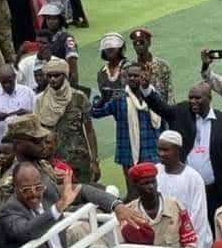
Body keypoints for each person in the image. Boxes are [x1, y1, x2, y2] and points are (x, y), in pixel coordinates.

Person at [145, 81, 222, 222]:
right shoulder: (182, 113)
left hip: (215, 190)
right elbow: (161, 108)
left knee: (216, 224)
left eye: (197, 98)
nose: (193, 101)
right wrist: (146, 89)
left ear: (209, 98)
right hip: (187, 189)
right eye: (191, 98)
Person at [0, 161, 81, 248]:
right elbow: (27, 231)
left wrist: (112, 204)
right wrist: (58, 208)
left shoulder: (48, 191)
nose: (34, 194)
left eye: (38, 188)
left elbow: (81, 191)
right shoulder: (8, 210)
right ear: (15, 188)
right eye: (26, 190)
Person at [92, 62, 163, 192]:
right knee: (133, 192)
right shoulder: (119, 99)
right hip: (129, 154)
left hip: (152, 152)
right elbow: (95, 113)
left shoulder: (153, 96)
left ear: (144, 76)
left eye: (136, 76)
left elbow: (164, 119)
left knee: (154, 189)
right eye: (130, 76)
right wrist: (102, 99)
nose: (132, 78)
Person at [34, 57, 98, 183]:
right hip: (53, 161)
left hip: (79, 160)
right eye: (49, 76)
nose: (53, 79)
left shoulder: (79, 97)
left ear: (64, 76)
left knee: (84, 191)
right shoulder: (40, 101)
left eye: (56, 75)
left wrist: (94, 160)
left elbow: (89, 131)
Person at [155, 130, 212, 248]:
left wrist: (192, 246)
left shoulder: (193, 178)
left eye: (165, 150)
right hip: (163, 239)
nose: (161, 154)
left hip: (190, 240)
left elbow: (199, 216)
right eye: (159, 149)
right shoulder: (155, 172)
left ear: (177, 150)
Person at [125, 162, 198, 248]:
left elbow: (190, 242)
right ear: (135, 186)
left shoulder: (175, 206)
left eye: (153, 182)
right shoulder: (129, 213)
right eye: (145, 183)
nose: (151, 186)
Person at [0, 64, 36, 146]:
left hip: (27, 142)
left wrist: (28, 113)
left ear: (15, 76)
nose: (7, 85)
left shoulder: (27, 92)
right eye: (3, 82)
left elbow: (37, 114)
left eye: (10, 81)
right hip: (4, 144)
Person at [129, 28, 173, 103]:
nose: (138, 46)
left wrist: (171, 109)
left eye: (142, 42)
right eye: (135, 43)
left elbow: (169, 92)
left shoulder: (162, 65)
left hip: (160, 106)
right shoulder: (130, 68)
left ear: (149, 43)